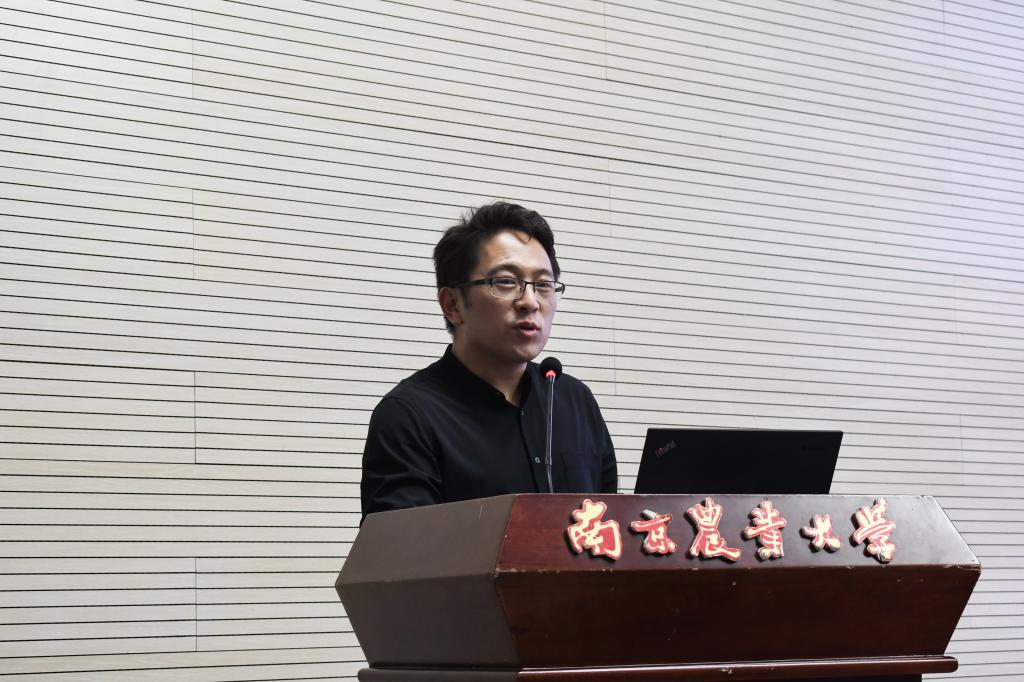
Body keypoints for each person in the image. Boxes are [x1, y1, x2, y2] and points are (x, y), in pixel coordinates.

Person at [360, 202, 617, 518]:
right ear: (453, 305)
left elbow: (610, 526)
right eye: (506, 282)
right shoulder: (408, 416)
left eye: (543, 285)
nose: (530, 302)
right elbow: (403, 545)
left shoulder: (575, 400)